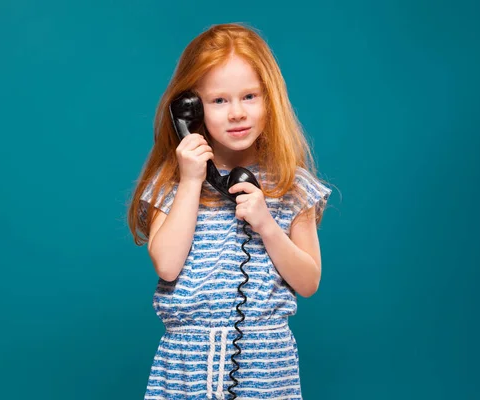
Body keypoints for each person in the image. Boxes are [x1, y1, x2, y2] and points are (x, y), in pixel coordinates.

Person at [128, 22, 332, 400]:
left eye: (250, 96)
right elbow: (168, 266)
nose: (237, 112)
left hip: (267, 367)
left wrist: (267, 225)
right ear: (189, 109)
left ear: (270, 99)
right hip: (186, 365)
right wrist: (191, 181)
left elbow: (308, 282)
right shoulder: (170, 184)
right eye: (219, 100)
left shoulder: (292, 185)